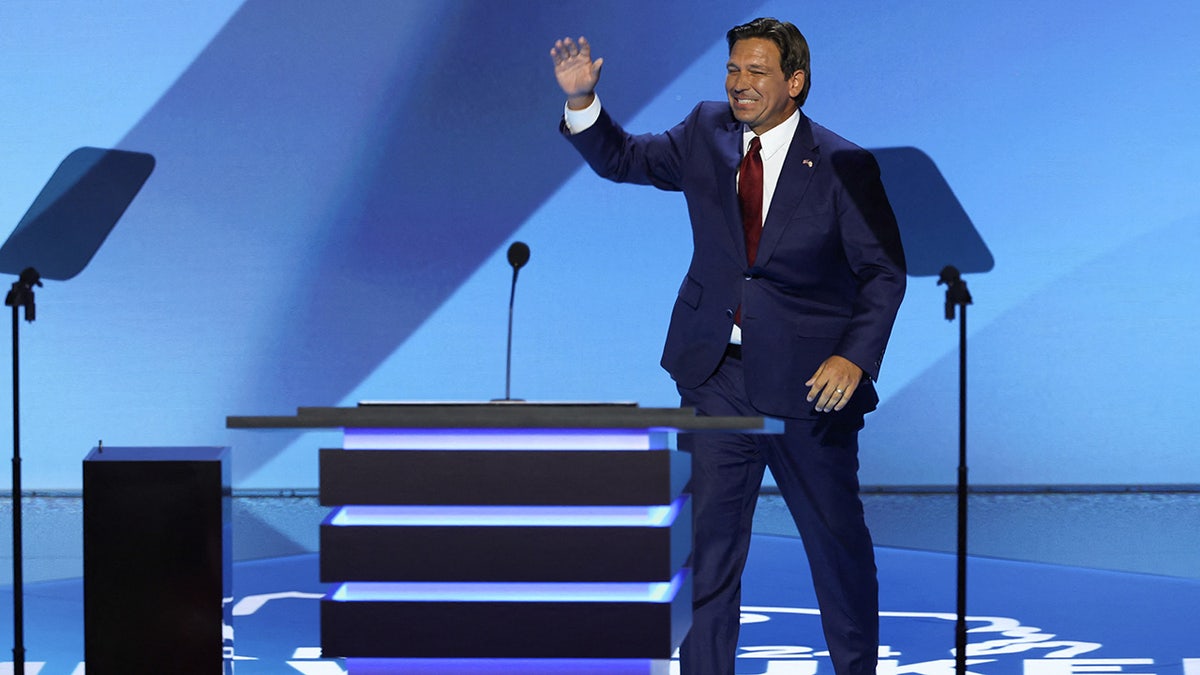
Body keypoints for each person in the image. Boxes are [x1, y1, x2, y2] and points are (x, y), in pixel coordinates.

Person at [551, 17, 905, 675]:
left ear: (795, 82)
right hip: (715, 374)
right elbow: (624, 157)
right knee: (707, 551)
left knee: (836, 548)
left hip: (810, 389)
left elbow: (883, 271)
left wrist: (854, 356)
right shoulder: (706, 132)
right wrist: (582, 103)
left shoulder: (841, 164)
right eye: (733, 70)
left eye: (756, 72)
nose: (739, 84)